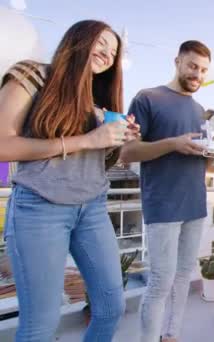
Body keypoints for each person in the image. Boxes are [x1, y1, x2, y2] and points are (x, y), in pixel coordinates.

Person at [0, 20, 138, 341]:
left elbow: (99, 158)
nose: (108, 54)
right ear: (78, 38)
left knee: (110, 308)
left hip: (92, 210)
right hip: (39, 211)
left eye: (114, 51)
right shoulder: (32, 75)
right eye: (102, 43)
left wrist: (118, 139)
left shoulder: (99, 105)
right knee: (40, 326)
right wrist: (88, 139)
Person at [119, 40, 214, 342]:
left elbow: (199, 162)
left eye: (203, 70)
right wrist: (172, 143)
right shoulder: (147, 98)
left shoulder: (200, 111)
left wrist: (210, 156)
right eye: (192, 66)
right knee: (160, 281)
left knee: (184, 276)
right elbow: (128, 152)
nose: (197, 73)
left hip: (195, 204)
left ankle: (171, 335)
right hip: (163, 204)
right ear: (177, 61)